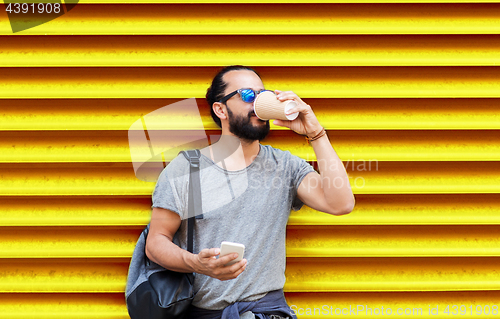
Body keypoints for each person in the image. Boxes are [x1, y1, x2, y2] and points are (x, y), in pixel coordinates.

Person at [145, 65, 355, 319]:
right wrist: (196, 263)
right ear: (220, 109)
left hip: (267, 311)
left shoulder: (285, 166)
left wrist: (315, 133)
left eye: (262, 94)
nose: (258, 103)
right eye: (247, 95)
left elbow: (340, 203)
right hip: (206, 313)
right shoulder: (187, 169)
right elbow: (156, 242)